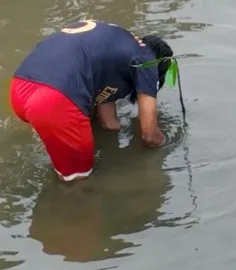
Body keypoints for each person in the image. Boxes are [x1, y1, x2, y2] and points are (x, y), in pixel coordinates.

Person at [10, 20, 175, 181]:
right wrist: (170, 141)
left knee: (66, 152)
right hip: (55, 99)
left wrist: (115, 129)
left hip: (20, 88)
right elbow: (149, 136)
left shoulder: (116, 42)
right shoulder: (147, 60)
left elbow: (109, 123)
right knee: (79, 185)